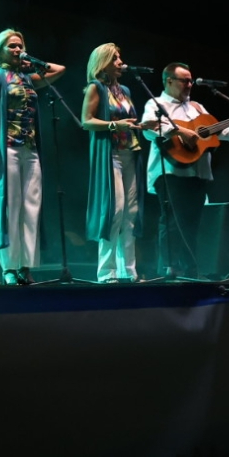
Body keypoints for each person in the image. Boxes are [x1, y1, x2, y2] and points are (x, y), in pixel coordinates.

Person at [140, 62, 229, 279]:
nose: (189, 84)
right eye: (185, 80)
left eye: (191, 80)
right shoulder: (156, 103)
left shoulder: (197, 108)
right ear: (169, 81)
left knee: (193, 222)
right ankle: (170, 268)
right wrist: (181, 131)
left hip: (197, 173)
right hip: (170, 172)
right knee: (173, 220)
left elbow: (219, 132)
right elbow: (149, 128)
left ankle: (190, 268)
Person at [0, 30, 67, 285]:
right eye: (12, 46)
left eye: (20, 46)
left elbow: (60, 70)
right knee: (10, 207)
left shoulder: (28, 78)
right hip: (6, 149)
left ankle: (25, 266)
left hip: (30, 150)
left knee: (31, 208)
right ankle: (9, 267)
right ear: (0, 50)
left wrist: (34, 61)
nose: (17, 50)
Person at [82, 43, 144, 282]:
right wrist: (114, 125)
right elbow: (86, 121)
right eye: (115, 58)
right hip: (111, 155)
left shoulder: (124, 89)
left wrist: (142, 126)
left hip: (130, 152)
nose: (120, 63)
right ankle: (107, 272)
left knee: (131, 212)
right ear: (103, 63)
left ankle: (128, 270)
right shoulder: (95, 87)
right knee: (114, 211)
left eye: (120, 58)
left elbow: (129, 120)